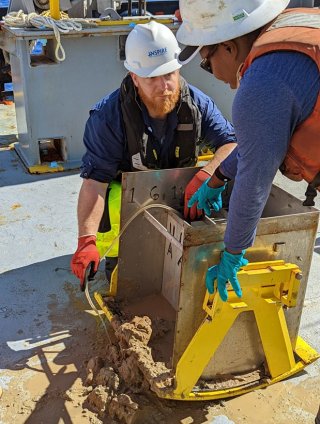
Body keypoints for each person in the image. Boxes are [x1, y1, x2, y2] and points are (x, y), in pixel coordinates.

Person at [70, 20, 237, 287]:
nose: (164, 86)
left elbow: (230, 144)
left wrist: (208, 174)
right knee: (128, 284)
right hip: (128, 206)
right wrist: (86, 241)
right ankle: (113, 255)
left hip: (180, 197)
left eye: (169, 74)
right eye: (152, 78)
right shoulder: (107, 118)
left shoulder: (197, 104)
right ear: (134, 78)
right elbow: (94, 183)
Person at [176, 0, 320, 301]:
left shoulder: (261, 85)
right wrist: (217, 179)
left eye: (206, 62)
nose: (211, 73)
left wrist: (233, 252)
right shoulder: (298, 26)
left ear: (228, 47)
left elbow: (254, 181)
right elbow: (260, 144)